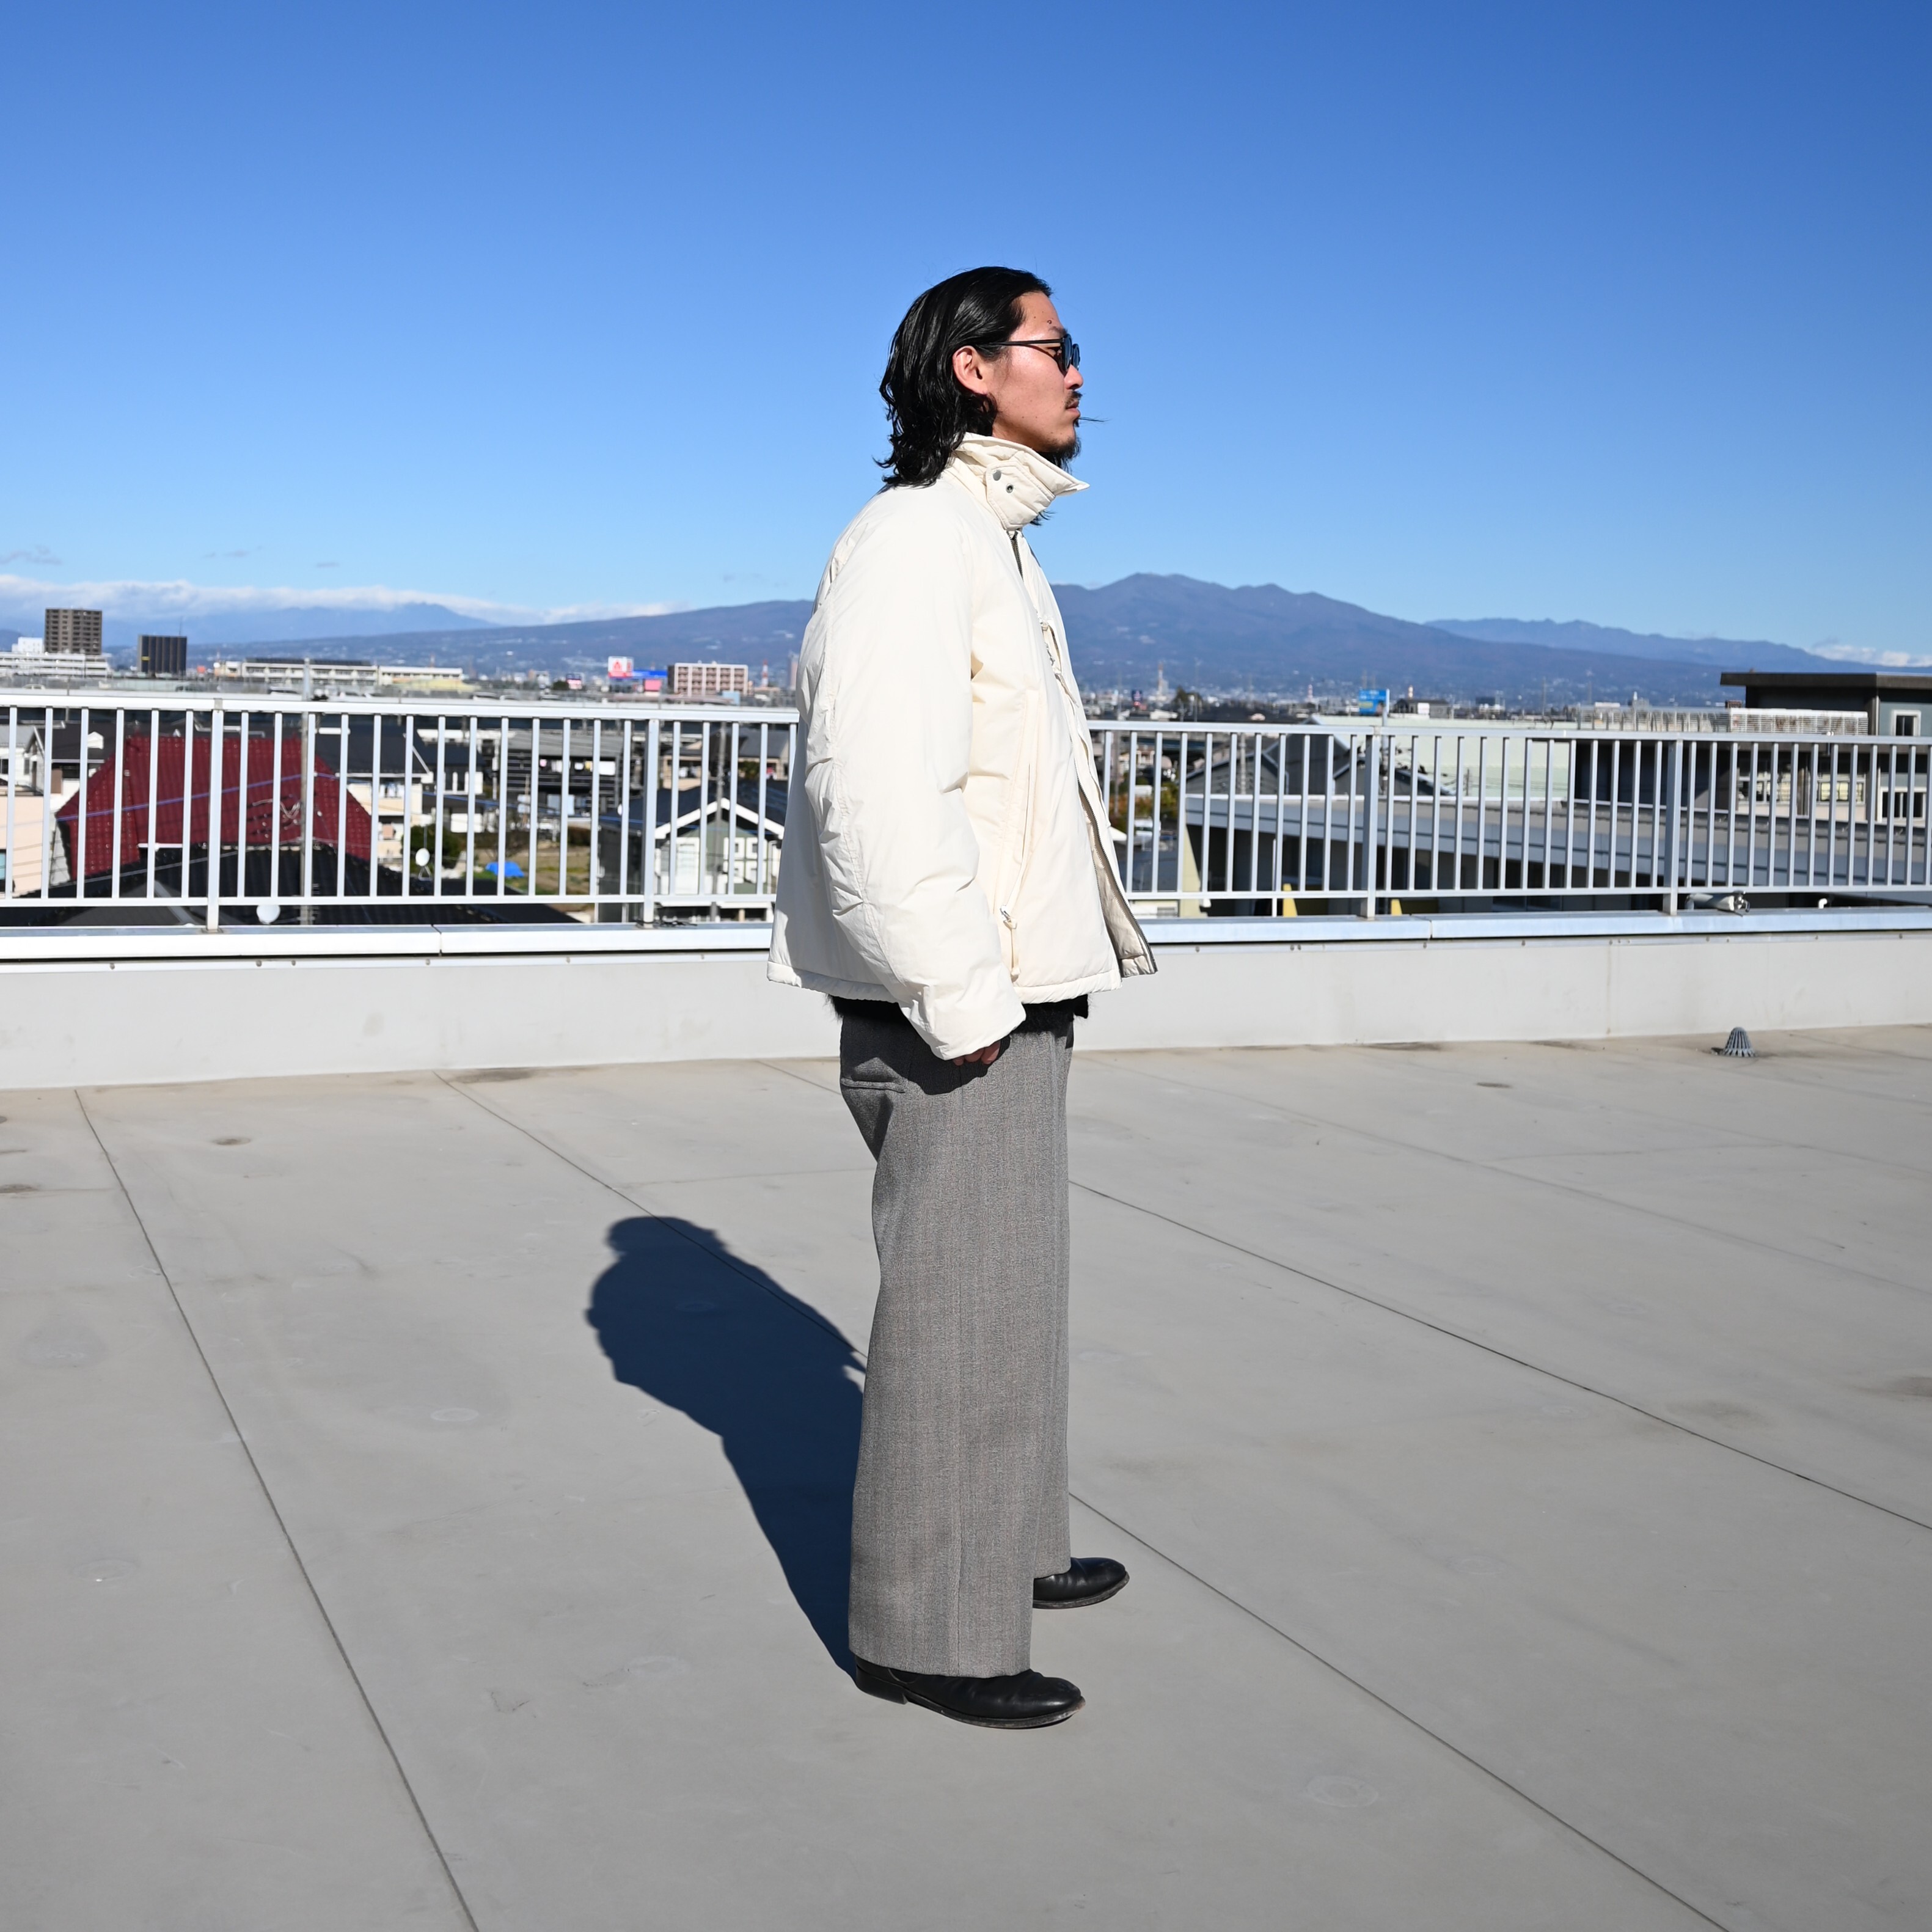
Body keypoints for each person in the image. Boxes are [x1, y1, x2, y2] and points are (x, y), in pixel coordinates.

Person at [769, 266, 1155, 1728]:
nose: (1081, 373)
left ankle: (1011, 1547)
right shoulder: (917, 541)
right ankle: (929, 1633)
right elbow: (873, 789)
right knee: (956, 1313)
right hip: (961, 1003)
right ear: (976, 368)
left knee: (1008, 1296)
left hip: (1010, 986)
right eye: (1060, 347)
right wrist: (963, 996)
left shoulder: (991, 542)